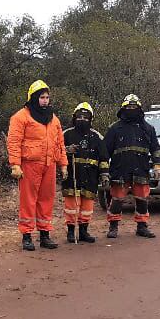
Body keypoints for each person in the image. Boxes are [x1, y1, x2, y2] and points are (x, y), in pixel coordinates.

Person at [7, 80, 68, 251]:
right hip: (29, 165)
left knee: (46, 200)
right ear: (33, 98)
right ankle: (26, 236)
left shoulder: (53, 118)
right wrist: (15, 165)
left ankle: (44, 235)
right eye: (42, 97)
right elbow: (13, 142)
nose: (45, 101)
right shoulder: (20, 117)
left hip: (49, 165)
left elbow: (60, 143)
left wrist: (63, 164)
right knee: (28, 201)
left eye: (47, 97)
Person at [103, 94, 160, 239]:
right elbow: (105, 152)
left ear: (139, 109)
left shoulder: (148, 128)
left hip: (141, 168)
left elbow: (155, 148)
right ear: (123, 109)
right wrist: (103, 171)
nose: (131, 109)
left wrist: (157, 165)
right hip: (120, 169)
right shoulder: (114, 129)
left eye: (134, 107)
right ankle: (113, 226)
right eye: (128, 107)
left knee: (142, 198)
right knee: (117, 199)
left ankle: (142, 226)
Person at [62, 102, 110, 244]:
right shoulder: (66, 134)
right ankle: (71, 232)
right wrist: (66, 150)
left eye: (85, 117)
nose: (82, 119)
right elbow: (55, 151)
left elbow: (104, 157)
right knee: (71, 206)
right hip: (72, 175)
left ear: (90, 119)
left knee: (87, 206)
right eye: (79, 117)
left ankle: (83, 231)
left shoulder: (97, 137)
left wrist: (104, 174)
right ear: (74, 117)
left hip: (90, 176)